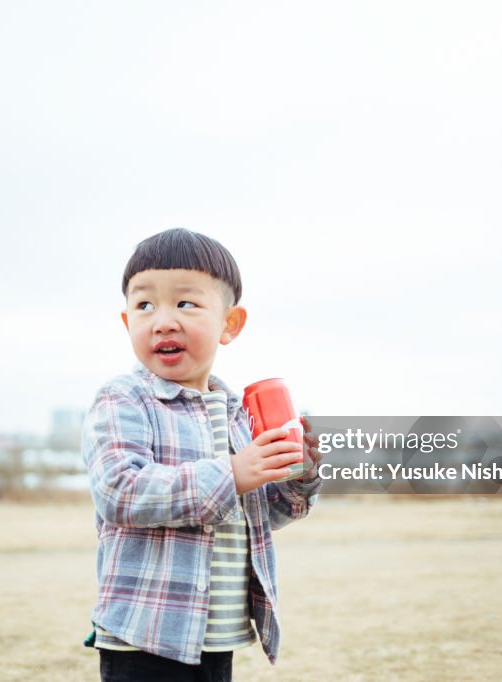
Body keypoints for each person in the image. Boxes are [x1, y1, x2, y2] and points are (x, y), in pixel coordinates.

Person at [81, 228, 323, 681]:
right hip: (145, 635)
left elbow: (257, 515)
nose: (163, 320)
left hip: (216, 635)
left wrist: (296, 475)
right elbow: (120, 491)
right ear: (126, 321)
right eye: (145, 304)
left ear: (230, 324)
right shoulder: (123, 399)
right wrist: (233, 472)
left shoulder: (235, 413)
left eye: (186, 303)